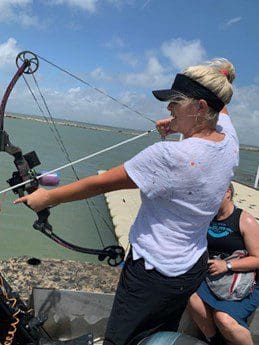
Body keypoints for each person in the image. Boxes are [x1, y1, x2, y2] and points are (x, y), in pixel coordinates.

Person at [14, 58, 239, 345]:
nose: (168, 108)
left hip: (151, 273)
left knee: (121, 340)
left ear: (200, 108)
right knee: (159, 331)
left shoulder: (170, 156)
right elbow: (220, 101)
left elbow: (98, 183)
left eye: (175, 102)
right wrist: (181, 124)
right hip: (190, 267)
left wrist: (47, 198)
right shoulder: (229, 141)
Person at [188, 184, 259, 345]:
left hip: (240, 282)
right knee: (190, 296)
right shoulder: (207, 217)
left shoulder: (244, 220)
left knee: (224, 319)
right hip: (211, 278)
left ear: (227, 193)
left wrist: (227, 265)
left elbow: (258, 258)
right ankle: (214, 340)